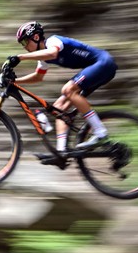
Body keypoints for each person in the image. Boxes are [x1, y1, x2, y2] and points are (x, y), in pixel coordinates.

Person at [8, 21, 117, 155]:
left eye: (25, 42)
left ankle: (101, 132)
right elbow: (38, 77)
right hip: (97, 68)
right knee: (58, 108)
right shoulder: (43, 57)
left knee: (68, 89)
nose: (24, 47)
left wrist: (20, 58)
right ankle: (61, 151)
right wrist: (14, 81)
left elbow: (53, 54)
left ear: (35, 37)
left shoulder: (53, 41)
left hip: (103, 62)